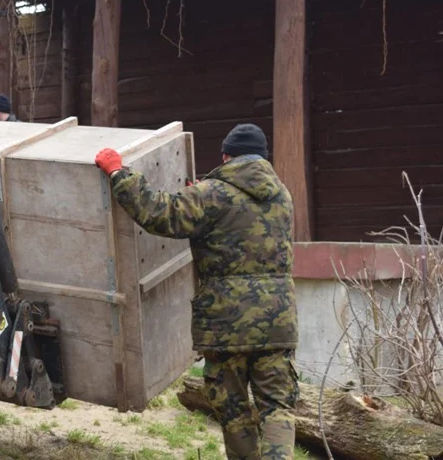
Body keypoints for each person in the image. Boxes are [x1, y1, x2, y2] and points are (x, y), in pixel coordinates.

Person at [95, 124, 299, 460]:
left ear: (225, 155)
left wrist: (119, 173)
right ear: (263, 157)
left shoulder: (211, 194)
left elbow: (160, 214)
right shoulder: (282, 194)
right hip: (279, 320)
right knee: (278, 408)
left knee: (234, 409)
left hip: (227, 322)